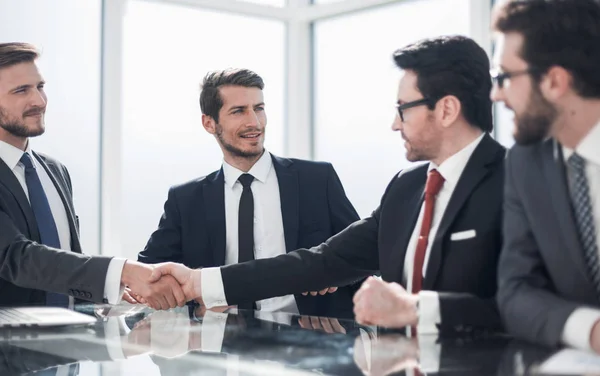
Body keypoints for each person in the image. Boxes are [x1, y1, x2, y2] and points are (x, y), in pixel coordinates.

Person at [150, 36, 507, 335]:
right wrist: (200, 283)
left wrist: (417, 310)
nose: (395, 124)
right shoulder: (406, 188)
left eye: (403, 108)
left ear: (446, 110)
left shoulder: (518, 181)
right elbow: (323, 261)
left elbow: (533, 308)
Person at [137, 68, 360, 318]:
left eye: (259, 108)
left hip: (309, 340)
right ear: (209, 123)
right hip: (221, 342)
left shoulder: (317, 180)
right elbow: (149, 274)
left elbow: (362, 255)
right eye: (238, 111)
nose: (254, 122)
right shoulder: (186, 199)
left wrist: (335, 278)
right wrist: (198, 302)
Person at [0, 42, 184, 310]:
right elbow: (16, 257)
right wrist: (122, 272)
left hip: (67, 343)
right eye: (21, 91)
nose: (39, 101)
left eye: (40, 87)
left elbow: (63, 259)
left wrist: (106, 291)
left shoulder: (54, 171)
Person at [490, 0, 600, 353]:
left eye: (505, 77)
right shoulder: (525, 163)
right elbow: (516, 292)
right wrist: (592, 331)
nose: (496, 94)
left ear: (554, 81)